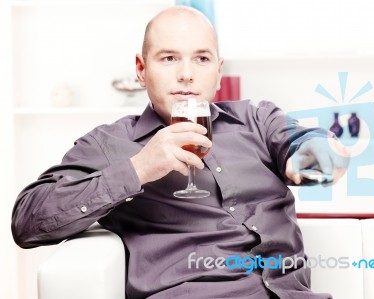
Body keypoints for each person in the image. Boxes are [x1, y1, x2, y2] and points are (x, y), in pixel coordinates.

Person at [11, 5, 350, 299]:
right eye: (169, 58)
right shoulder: (110, 143)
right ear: (141, 70)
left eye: (201, 59)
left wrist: (322, 155)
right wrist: (138, 169)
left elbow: (312, 143)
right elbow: (27, 221)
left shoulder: (257, 120)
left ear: (218, 71)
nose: (187, 75)